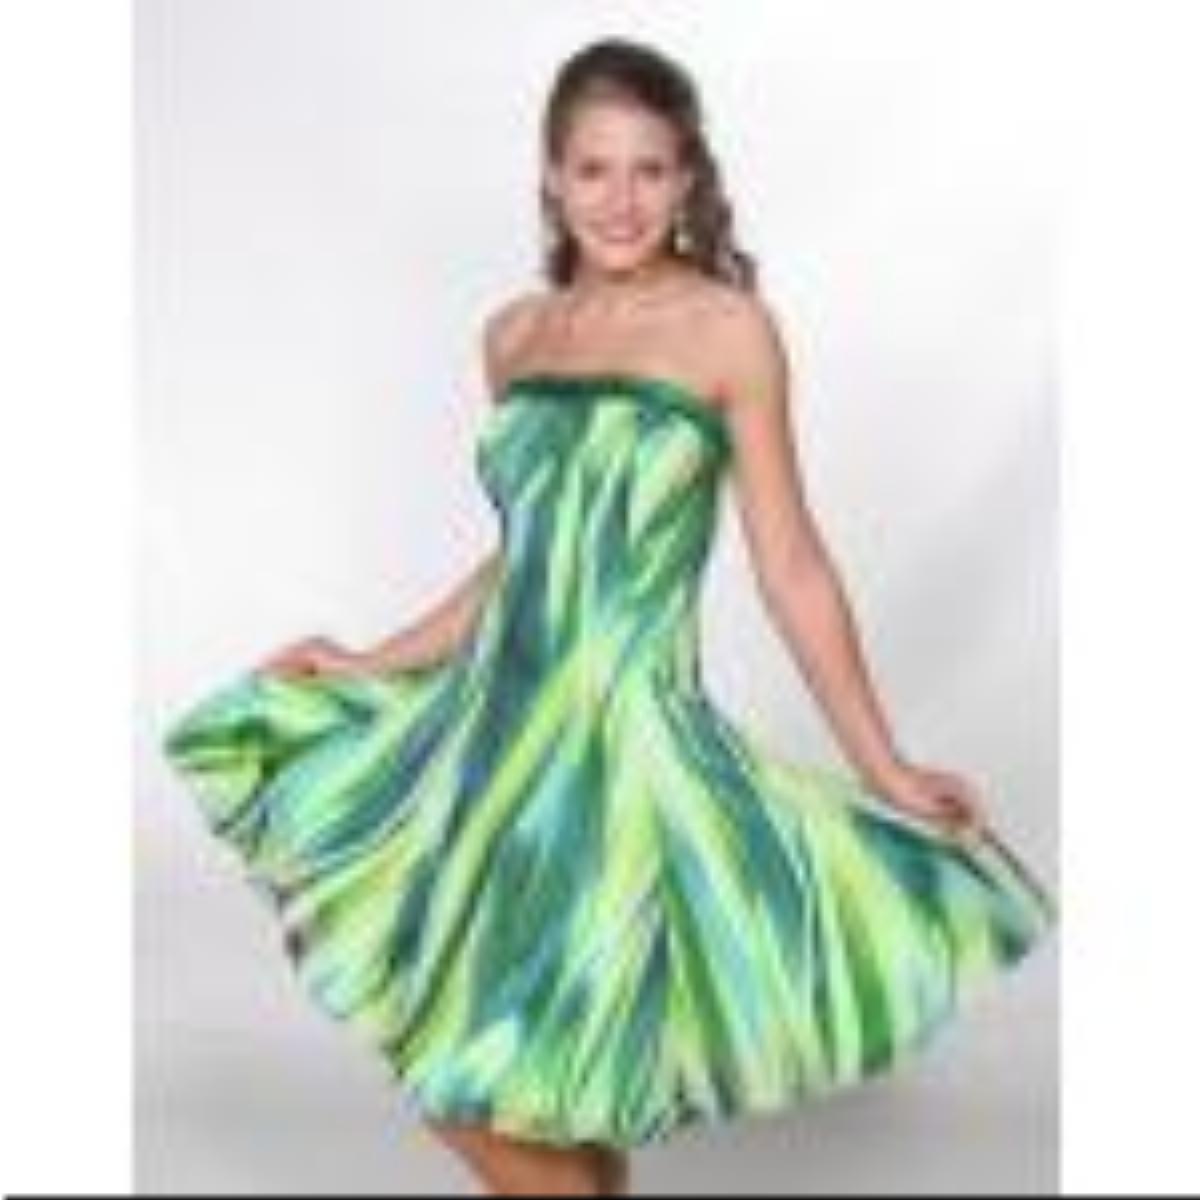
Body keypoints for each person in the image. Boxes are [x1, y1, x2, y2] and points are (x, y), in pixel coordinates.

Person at [162, 36, 1054, 1198]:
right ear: (551, 177)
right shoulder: (515, 337)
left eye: (649, 169)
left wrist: (882, 763)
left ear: (688, 179)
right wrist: (370, 661)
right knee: (510, 1080)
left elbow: (791, 564)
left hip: (625, 760)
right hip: (488, 750)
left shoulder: (728, 331)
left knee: (522, 1076)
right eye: (593, 169)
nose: (621, 200)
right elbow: (524, 560)